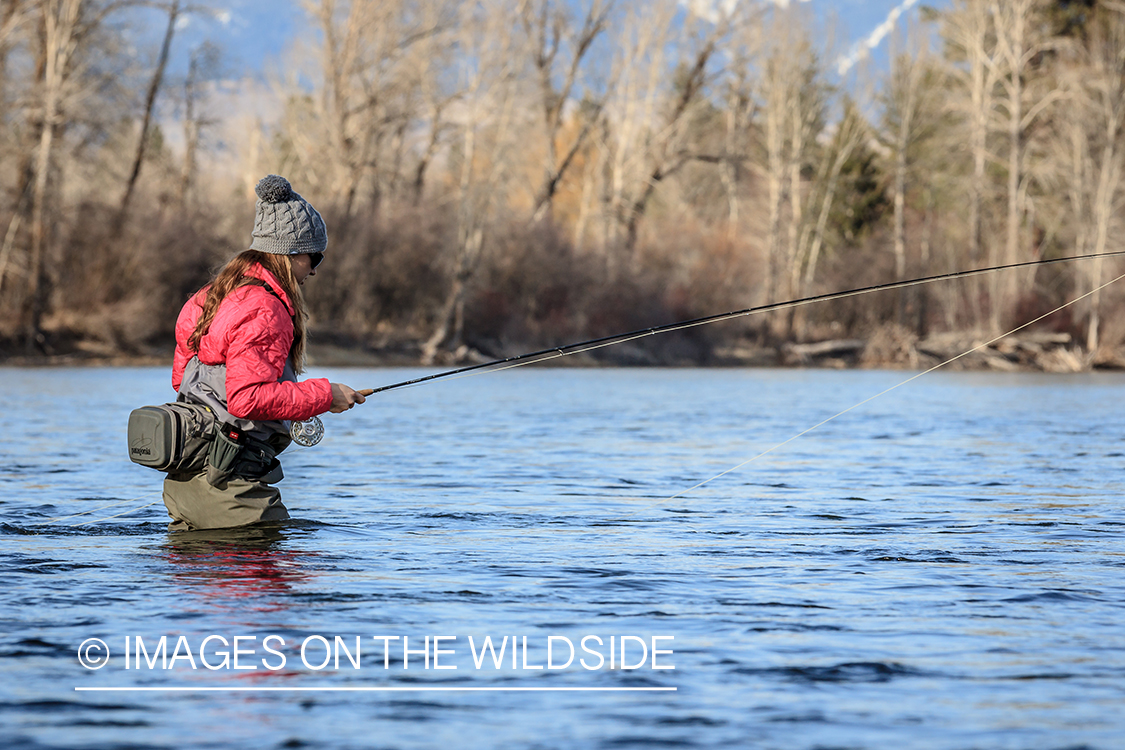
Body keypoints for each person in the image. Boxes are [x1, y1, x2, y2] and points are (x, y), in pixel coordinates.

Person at [162, 174, 365, 531]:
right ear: (289, 253)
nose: (315, 270)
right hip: (231, 487)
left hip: (188, 484)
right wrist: (325, 395)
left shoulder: (211, 296)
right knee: (266, 581)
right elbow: (246, 399)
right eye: (314, 256)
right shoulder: (264, 308)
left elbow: (185, 382)